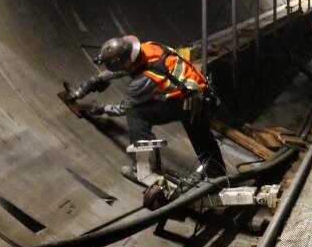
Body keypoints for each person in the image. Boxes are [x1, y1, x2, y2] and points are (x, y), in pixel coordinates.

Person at [68, 35, 225, 178]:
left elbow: (124, 107)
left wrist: (102, 109)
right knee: (203, 140)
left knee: (135, 113)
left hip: (189, 105)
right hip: (201, 96)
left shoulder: (143, 81)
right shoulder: (148, 47)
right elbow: (129, 67)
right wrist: (98, 79)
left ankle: (147, 169)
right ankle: (218, 176)